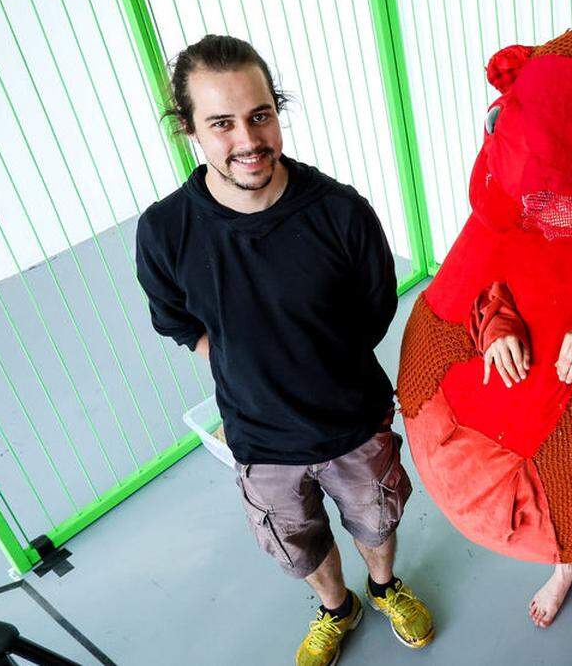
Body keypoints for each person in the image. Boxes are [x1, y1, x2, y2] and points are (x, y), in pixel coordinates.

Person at [135, 35, 434, 665]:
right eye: (222, 123)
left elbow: (375, 311)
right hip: (260, 441)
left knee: (377, 521)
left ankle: (383, 588)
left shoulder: (342, 214)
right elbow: (178, 320)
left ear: (276, 109)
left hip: (354, 423)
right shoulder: (165, 231)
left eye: (260, 114)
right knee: (295, 542)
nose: (247, 139)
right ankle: (337, 609)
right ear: (188, 128)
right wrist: (247, 369)